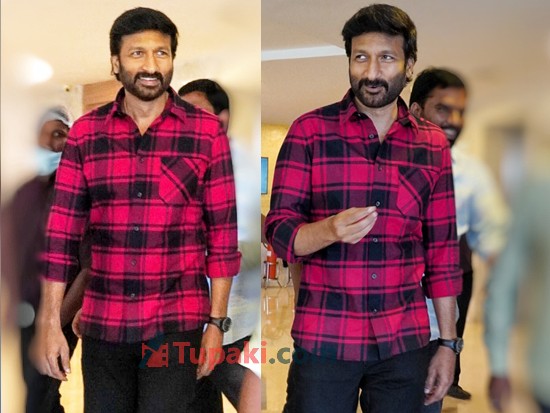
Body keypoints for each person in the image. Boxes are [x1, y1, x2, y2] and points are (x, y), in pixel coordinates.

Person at [31, 8, 240, 413]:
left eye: (161, 53)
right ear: (116, 62)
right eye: (137, 53)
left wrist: (216, 325)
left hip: (176, 320)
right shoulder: (86, 134)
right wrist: (51, 321)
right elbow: (61, 235)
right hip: (104, 322)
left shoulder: (206, 133)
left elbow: (222, 237)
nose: (151, 65)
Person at [265, 4, 462, 413]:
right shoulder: (309, 132)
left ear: (409, 66)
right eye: (360, 57)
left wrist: (448, 343)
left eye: (386, 58)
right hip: (325, 339)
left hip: (403, 342)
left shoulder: (432, 145)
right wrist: (328, 230)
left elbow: (443, 253)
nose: (371, 72)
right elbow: (279, 232)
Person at [409, 68, 509, 405]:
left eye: (460, 112)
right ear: (416, 111)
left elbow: (496, 246)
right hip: (379, 322)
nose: (453, 121)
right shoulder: (382, 162)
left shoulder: (470, 175)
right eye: (442, 109)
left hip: (439, 314)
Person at [178, 79, 261, 413]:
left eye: (196, 112)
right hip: (188, 319)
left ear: (222, 119)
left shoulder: (239, 167)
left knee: (247, 397)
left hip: (231, 322)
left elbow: (245, 244)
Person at [1, 107, 90, 413]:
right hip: (26, 312)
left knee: (40, 397)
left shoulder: (79, 193)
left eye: (61, 134)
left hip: (62, 312)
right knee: (39, 397)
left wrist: (52, 325)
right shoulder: (26, 193)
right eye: (47, 134)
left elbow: (89, 269)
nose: (54, 143)